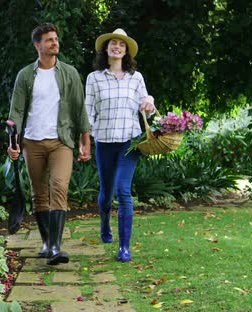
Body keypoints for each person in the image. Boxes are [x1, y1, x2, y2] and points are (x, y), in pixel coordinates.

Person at [7, 23, 91, 265]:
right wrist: (12, 142)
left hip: (61, 141)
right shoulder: (25, 75)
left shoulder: (70, 73)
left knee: (59, 187)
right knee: (39, 193)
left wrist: (85, 142)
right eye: (49, 40)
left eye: (56, 39)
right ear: (37, 45)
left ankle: (55, 246)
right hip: (32, 142)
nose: (55, 43)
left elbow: (79, 110)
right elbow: (16, 113)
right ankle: (46, 243)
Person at [85, 28, 155, 262]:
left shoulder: (136, 78)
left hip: (130, 143)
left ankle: (124, 247)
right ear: (106, 49)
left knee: (123, 190)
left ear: (126, 52)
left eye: (121, 45)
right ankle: (105, 222)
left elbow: (147, 104)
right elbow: (88, 111)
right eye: (113, 43)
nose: (117, 47)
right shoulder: (94, 78)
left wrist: (149, 103)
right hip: (104, 142)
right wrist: (85, 139)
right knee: (106, 194)